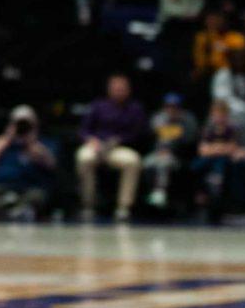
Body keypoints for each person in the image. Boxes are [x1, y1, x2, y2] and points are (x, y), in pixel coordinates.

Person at [76, 73, 146, 220]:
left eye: (122, 88)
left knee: (133, 161)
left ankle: (123, 207)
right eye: (116, 88)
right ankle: (88, 205)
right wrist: (91, 140)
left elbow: (138, 133)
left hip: (119, 148)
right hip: (96, 146)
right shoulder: (98, 106)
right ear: (109, 89)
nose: (119, 91)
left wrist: (119, 141)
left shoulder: (135, 108)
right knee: (83, 158)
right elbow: (83, 130)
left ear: (128, 90)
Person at [0, 104, 57, 219]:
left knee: (39, 196)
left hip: (29, 187)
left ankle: (8, 210)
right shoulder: (3, 142)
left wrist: (30, 141)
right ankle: (10, 212)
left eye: (26, 124)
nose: (22, 127)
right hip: (1, 186)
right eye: (19, 124)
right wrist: (8, 137)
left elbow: (51, 164)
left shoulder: (44, 143)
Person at [192, 100, 245, 222]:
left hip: (223, 161)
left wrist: (216, 148)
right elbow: (203, 150)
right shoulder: (208, 129)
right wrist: (220, 148)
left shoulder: (232, 129)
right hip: (208, 160)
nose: (218, 117)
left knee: (222, 164)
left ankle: (221, 201)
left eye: (221, 114)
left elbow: (233, 148)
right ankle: (200, 197)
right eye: (216, 114)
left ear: (226, 115)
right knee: (196, 166)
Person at [142, 93, 198, 210]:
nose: (171, 109)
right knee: (146, 164)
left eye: (174, 107)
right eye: (168, 106)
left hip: (177, 157)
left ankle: (160, 194)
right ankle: (148, 197)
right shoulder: (157, 119)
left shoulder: (187, 120)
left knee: (163, 163)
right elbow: (149, 137)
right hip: (156, 154)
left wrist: (172, 150)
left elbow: (189, 141)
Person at [210, 42, 245, 145]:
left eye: (242, 60)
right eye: (236, 60)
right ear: (231, 60)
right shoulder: (222, 75)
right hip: (229, 114)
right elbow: (223, 98)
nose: (239, 63)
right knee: (236, 121)